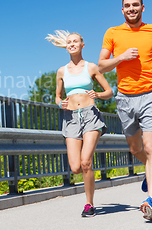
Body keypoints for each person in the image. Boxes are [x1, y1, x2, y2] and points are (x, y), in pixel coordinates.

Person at [98, 0, 152, 221]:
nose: (131, 8)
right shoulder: (113, 33)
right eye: (127, 6)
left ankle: (150, 200)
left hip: (151, 94)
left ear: (143, 8)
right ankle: (151, 171)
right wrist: (120, 57)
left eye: (135, 5)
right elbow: (101, 66)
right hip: (125, 98)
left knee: (151, 148)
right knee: (135, 149)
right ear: (122, 10)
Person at [47, 30, 113, 217]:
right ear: (66, 46)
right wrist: (61, 104)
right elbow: (57, 97)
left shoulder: (91, 67)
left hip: (90, 114)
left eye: (75, 41)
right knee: (75, 167)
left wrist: (98, 94)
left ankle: (89, 204)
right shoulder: (61, 71)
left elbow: (109, 91)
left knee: (85, 162)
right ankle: (89, 185)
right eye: (69, 42)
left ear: (82, 45)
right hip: (71, 118)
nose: (72, 44)